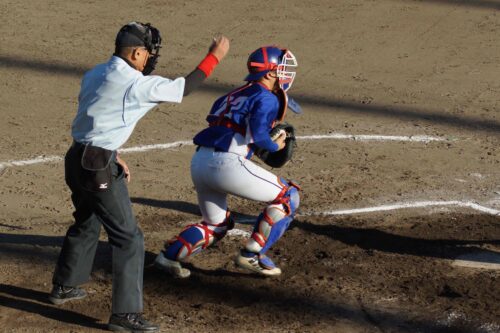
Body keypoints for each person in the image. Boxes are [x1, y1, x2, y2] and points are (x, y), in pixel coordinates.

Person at [48, 21, 229, 332]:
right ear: (134, 53)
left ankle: (65, 285)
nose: (150, 59)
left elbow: (95, 113)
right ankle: (125, 315)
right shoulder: (136, 83)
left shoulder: (95, 72)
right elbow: (184, 87)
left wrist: (112, 151)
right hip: (96, 164)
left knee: (87, 219)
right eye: (148, 53)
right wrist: (215, 56)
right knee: (129, 238)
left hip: (76, 157)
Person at [154, 46, 300, 278]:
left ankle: (168, 258)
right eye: (282, 68)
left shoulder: (231, 95)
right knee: (288, 196)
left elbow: (229, 126)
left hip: (200, 162)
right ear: (270, 73)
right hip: (226, 165)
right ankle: (252, 255)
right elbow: (260, 136)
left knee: (216, 224)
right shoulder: (267, 98)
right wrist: (275, 145)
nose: (286, 73)